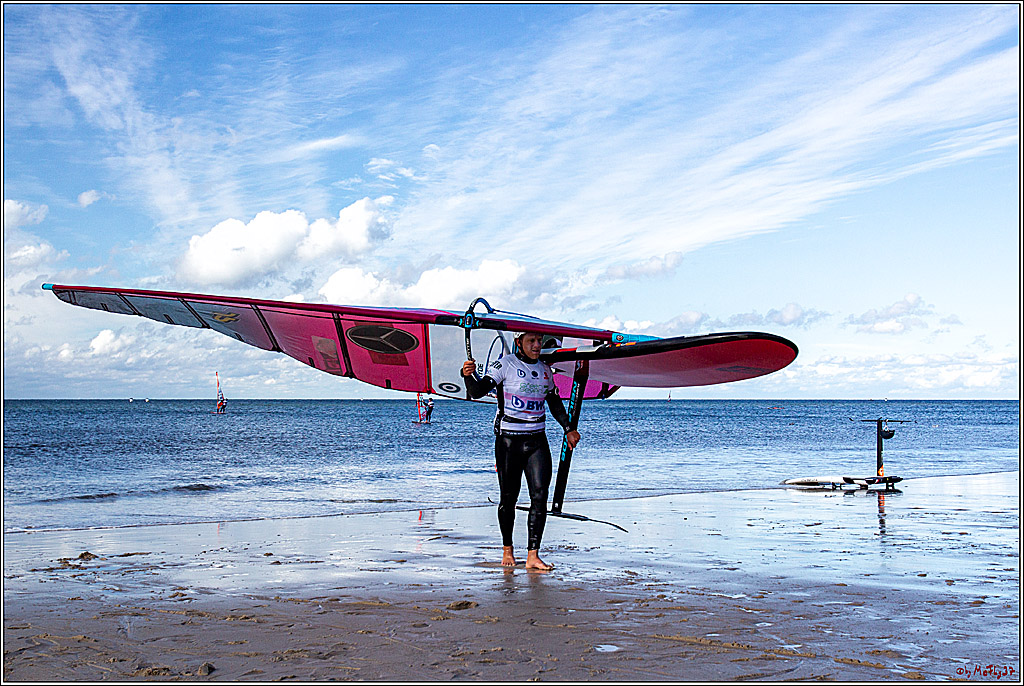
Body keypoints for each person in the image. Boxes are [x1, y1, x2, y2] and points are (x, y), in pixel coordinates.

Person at [461, 332, 580, 571]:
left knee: (539, 495)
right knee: (509, 498)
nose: (536, 346)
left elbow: (554, 401)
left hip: (537, 440)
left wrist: (568, 428)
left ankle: (533, 555)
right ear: (519, 343)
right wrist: (467, 375)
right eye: (531, 341)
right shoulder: (505, 365)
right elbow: (477, 391)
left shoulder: (546, 371)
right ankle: (508, 549)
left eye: (539, 341)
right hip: (509, 442)